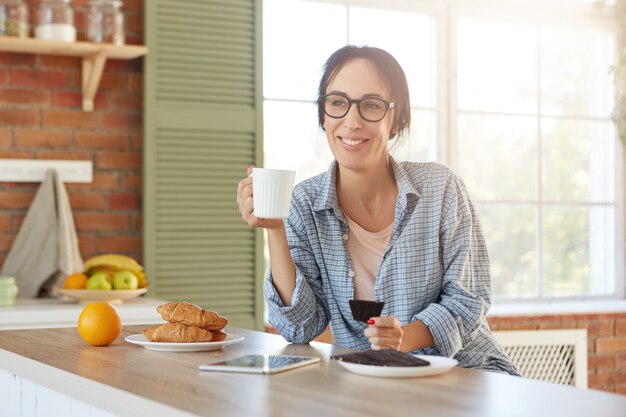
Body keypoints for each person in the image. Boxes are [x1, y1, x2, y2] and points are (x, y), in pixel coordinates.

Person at [237, 45, 518, 375]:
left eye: (370, 105)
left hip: (465, 371)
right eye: (338, 104)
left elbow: (468, 299)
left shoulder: (441, 189)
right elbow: (299, 328)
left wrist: (403, 338)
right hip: (369, 383)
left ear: (396, 119)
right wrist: (275, 229)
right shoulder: (302, 204)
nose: (352, 122)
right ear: (324, 116)